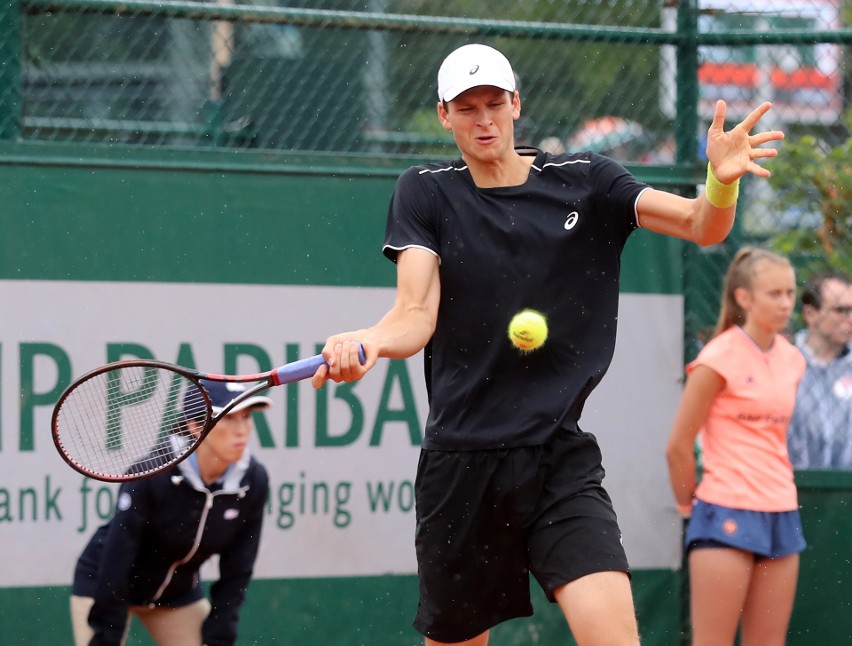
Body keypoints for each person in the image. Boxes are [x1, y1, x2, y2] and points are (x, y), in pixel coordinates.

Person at [311, 43, 784, 646]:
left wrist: (719, 182)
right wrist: (371, 341)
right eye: (466, 107)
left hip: (557, 459)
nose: (483, 120)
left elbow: (701, 225)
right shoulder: (425, 192)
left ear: (515, 105)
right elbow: (414, 311)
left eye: (494, 104)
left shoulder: (588, 182)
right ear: (443, 115)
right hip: (460, 463)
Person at [666, 247, 807, 646]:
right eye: (774, 294)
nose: (785, 304)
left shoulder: (794, 360)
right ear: (743, 298)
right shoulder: (717, 358)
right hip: (724, 509)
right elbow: (677, 445)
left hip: (781, 510)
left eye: (790, 293)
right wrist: (688, 508)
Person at [70, 380, 272, 646]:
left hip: (177, 594)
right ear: (195, 426)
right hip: (106, 583)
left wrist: (219, 638)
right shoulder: (151, 475)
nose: (241, 431)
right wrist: (107, 636)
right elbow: (117, 559)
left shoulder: (253, 482)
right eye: (228, 418)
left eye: (246, 417)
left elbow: (238, 570)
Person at [787, 271, 852, 469]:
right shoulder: (784, 363)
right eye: (841, 310)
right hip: (793, 486)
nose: (850, 318)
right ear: (810, 314)